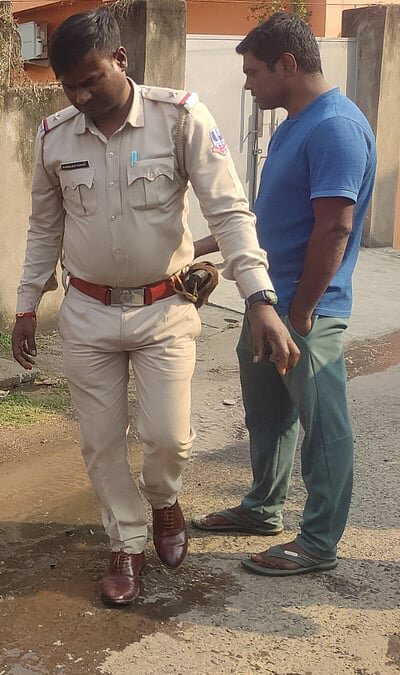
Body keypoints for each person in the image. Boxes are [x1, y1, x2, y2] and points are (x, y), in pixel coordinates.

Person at [10, 8, 299, 606]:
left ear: (120, 59)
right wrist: (25, 303)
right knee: (100, 439)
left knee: (167, 436)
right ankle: (127, 542)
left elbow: (230, 212)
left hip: (164, 310)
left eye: (91, 79)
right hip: (88, 313)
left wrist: (260, 298)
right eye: (68, 84)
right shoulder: (54, 136)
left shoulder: (180, 117)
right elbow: (44, 227)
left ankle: (165, 502)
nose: (81, 94)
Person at [192, 13, 376, 576]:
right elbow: (272, 217)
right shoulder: (298, 122)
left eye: (253, 72)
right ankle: (263, 507)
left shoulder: (335, 127)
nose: (248, 83)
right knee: (268, 414)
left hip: (303, 308)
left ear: (287, 65)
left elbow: (335, 228)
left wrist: (300, 310)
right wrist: (199, 246)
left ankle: (318, 542)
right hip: (267, 300)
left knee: (324, 428)